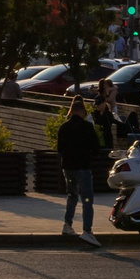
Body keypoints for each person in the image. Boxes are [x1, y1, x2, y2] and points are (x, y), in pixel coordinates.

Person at [55, 99, 103, 239]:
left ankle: (67, 225)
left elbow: (59, 149)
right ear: (82, 112)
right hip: (83, 167)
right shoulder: (87, 127)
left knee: (72, 195)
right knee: (87, 199)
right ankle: (87, 230)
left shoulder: (64, 127)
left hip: (68, 168)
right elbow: (96, 149)